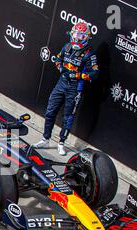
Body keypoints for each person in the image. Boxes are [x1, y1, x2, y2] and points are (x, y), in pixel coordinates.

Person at [34, 22, 99, 156]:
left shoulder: (89, 55)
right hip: (61, 83)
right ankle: (45, 139)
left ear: (86, 37)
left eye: (80, 35)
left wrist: (77, 75)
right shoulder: (67, 47)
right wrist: (61, 69)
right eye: (75, 34)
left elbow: (95, 73)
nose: (77, 38)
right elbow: (58, 58)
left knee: (68, 116)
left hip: (75, 88)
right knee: (50, 110)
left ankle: (61, 143)